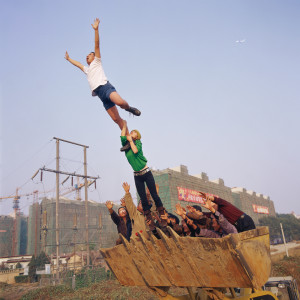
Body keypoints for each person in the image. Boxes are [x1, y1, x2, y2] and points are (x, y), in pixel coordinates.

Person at [65, 18, 141, 130]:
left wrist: (96, 30)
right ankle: (127, 140)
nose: (87, 56)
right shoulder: (87, 69)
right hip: (101, 95)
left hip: (106, 88)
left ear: (94, 57)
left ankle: (129, 108)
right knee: (116, 120)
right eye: (86, 56)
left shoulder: (97, 61)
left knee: (120, 103)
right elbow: (79, 64)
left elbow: (97, 45)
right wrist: (69, 59)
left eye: (89, 55)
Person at [120, 121, 167, 231]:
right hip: (137, 176)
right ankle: (149, 218)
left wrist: (131, 140)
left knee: (154, 195)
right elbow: (123, 134)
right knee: (143, 198)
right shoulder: (125, 145)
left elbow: (135, 151)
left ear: (137, 137)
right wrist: (124, 125)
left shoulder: (138, 143)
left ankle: (162, 213)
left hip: (146, 172)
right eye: (131, 132)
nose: (132, 132)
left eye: (134, 133)